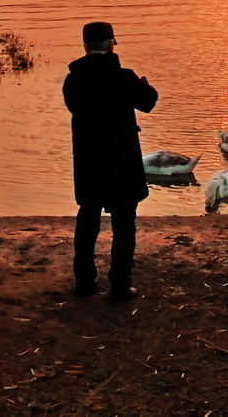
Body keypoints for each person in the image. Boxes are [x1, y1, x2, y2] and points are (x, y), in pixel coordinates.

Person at [64, 21, 158, 300]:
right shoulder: (124, 78)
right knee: (124, 223)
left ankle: (84, 282)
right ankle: (119, 285)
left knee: (87, 219)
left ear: (85, 46)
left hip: (89, 160)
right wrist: (146, 87)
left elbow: (75, 107)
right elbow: (148, 103)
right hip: (121, 162)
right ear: (110, 44)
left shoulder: (73, 80)